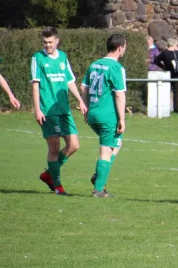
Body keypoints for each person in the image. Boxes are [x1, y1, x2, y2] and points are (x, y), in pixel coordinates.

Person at [31, 27, 87, 195]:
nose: (47, 45)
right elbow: (35, 85)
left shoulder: (63, 57)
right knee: (54, 148)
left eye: (50, 42)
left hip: (64, 109)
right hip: (48, 110)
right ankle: (57, 186)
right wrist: (37, 110)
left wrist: (80, 99)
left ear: (57, 41)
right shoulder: (37, 58)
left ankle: (49, 174)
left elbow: (69, 80)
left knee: (74, 145)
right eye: (45, 42)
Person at [81, 34, 127, 198]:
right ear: (120, 47)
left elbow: (83, 87)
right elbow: (119, 95)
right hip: (108, 116)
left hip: (93, 114)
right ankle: (98, 189)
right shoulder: (117, 68)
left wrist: (86, 107)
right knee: (106, 152)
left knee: (117, 143)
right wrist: (122, 119)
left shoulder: (94, 65)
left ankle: (99, 175)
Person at [154, 38, 178, 113]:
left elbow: (156, 60)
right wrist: (177, 50)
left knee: (166, 91)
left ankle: (165, 108)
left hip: (167, 73)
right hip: (176, 74)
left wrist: (163, 67)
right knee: (176, 92)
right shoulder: (177, 53)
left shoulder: (164, 53)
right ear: (174, 44)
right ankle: (176, 109)